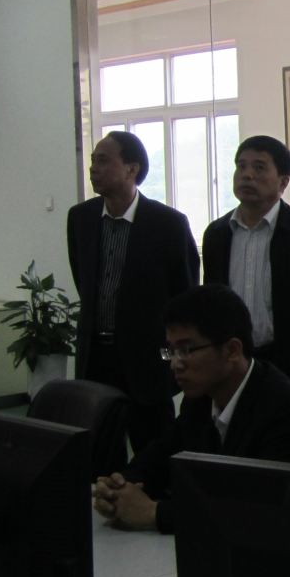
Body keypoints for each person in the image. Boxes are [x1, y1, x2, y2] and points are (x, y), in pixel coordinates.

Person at [92, 285, 290, 534]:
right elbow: (157, 460)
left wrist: (154, 513)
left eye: (186, 350)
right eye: (171, 351)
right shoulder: (199, 400)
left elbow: (258, 512)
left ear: (232, 350)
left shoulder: (286, 411)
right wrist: (119, 487)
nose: (175, 364)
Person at [67, 130, 198, 459]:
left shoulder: (168, 224)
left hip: (148, 360)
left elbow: (183, 297)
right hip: (96, 357)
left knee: (154, 452)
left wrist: (173, 358)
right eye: (92, 161)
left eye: (103, 160)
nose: (93, 168)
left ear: (132, 169)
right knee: (99, 451)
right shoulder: (80, 218)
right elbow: (84, 281)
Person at [201, 134, 290, 410]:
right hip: (231, 365)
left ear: (283, 182)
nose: (247, 175)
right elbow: (211, 302)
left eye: (259, 167)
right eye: (241, 166)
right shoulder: (217, 235)